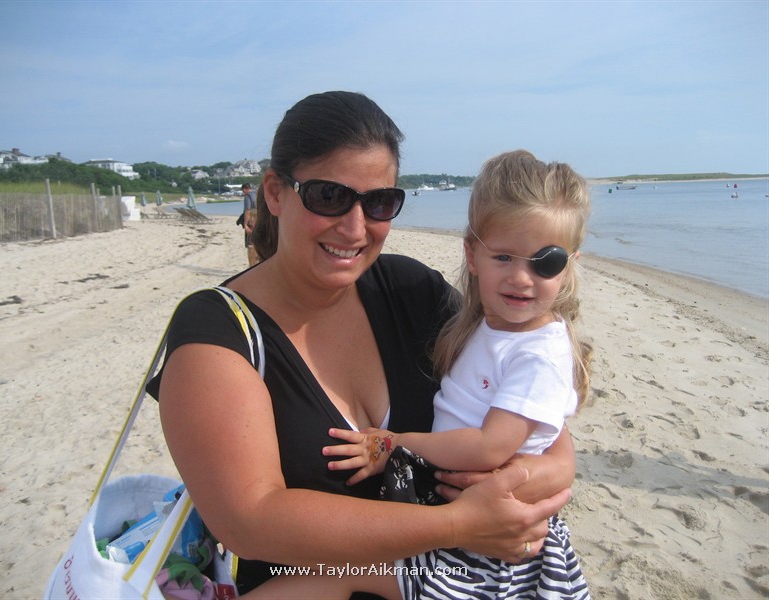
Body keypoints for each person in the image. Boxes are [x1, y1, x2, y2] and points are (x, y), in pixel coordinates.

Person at [151, 92, 576, 597]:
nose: (355, 228)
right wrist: (460, 524)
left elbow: (532, 407)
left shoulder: (412, 291)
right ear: (275, 193)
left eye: (378, 203)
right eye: (329, 196)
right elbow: (250, 521)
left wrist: (536, 474)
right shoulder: (217, 333)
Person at [245, 149, 593, 599]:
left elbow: (491, 446)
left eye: (545, 262)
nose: (522, 278)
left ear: (570, 265)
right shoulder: (480, 325)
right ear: (472, 254)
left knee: (335, 575)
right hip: (459, 525)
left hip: (482, 551)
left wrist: (394, 444)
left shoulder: (537, 353)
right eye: (504, 257)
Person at [241, 182, 258, 266]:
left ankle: (252, 265)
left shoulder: (248, 196)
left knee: (250, 244)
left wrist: (245, 224)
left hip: (252, 220)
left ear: (244, 189)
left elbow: (247, 211)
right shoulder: (258, 194)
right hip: (260, 220)